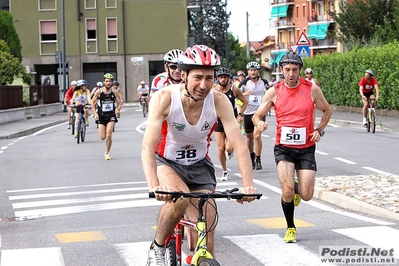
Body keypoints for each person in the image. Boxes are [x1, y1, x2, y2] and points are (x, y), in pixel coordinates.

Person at [142, 45, 258, 266]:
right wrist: (154, 185)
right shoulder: (164, 98)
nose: (203, 85)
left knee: (207, 225)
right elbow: (147, 147)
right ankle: (157, 247)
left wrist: (248, 185)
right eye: (197, 77)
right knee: (179, 197)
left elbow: (240, 146)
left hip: (199, 164)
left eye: (209, 78)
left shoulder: (219, 101)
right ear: (183, 75)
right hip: (167, 162)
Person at [252, 52, 332, 243]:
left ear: (300, 71)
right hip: (283, 148)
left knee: (307, 195)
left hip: (306, 148)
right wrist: (259, 124)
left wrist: (319, 130)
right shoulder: (274, 91)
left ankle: (297, 190)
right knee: (286, 190)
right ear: (281, 70)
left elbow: (327, 110)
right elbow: (256, 115)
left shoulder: (311, 89)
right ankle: (290, 227)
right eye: (287, 70)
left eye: (294, 70)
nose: (290, 74)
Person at [214, 67, 248, 181]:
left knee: (228, 148)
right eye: (221, 77)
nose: (223, 79)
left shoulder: (234, 89)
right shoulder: (214, 91)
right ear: (217, 78)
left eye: (225, 77)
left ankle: (230, 151)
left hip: (230, 121)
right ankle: (224, 171)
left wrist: (241, 114)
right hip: (218, 121)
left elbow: (245, 101)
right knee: (220, 148)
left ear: (229, 78)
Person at [238, 61, 269, 170]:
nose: (253, 72)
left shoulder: (264, 82)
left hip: (259, 112)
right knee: (250, 138)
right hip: (247, 113)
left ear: (258, 71)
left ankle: (258, 159)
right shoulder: (244, 83)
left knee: (257, 136)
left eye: (255, 70)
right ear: (248, 71)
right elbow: (237, 97)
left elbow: (270, 93)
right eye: (251, 70)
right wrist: (246, 94)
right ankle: (251, 155)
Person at [91, 73, 122, 160]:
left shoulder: (114, 92)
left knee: (109, 135)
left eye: (110, 81)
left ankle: (107, 152)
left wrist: (117, 109)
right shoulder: (99, 92)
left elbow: (119, 103)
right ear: (104, 82)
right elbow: (92, 103)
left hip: (111, 115)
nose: (108, 83)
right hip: (101, 116)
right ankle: (106, 149)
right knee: (102, 137)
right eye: (107, 81)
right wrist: (95, 114)